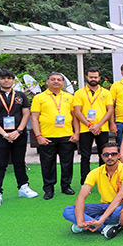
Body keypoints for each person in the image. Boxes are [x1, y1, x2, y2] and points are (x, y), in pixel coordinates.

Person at [0, 68, 36, 208]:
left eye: (9, 78)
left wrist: (18, 131)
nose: (6, 80)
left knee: (19, 162)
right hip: (0, 135)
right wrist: (5, 134)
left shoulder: (20, 96)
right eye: (3, 78)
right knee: (0, 164)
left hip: (19, 134)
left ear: (13, 80)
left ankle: (23, 187)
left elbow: (26, 114)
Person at [62, 142, 123, 239]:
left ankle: (93, 224)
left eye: (113, 154)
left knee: (118, 212)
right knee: (68, 210)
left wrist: (101, 219)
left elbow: (120, 196)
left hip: (121, 206)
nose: (110, 157)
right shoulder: (95, 172)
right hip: (103, 206)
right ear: (102, 156)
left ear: (119, 155)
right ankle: (103, 227)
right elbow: (81, 197)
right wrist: (79, 221)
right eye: (106, 154)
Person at [31, 72, 79, 200]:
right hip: (46, 136)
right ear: (47, 82)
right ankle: (48, 189)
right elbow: (34, 118)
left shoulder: (69, 97)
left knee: (67, 163)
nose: (56, 81)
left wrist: (76, 133)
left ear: (63, 83)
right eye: (53, 79)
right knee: (47, 164)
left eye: (59, 80)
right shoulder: (39, 97)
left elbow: (75, 117)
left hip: (67, 136)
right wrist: (38, 136)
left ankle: (66, 186)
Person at [73, 67, 114, 185]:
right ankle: (85, 182)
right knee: (85, 156)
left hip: (102, 128)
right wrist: (90, 125)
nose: (93, 79)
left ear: (99, 78)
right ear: (87, 77)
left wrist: (99, 125)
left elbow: (110, 110)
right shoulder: (79, 93)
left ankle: (103, 180)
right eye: (91, 77)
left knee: (104, 155)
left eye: (95, 77)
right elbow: (77, 111)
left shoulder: (106, 93)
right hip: (85, 129)